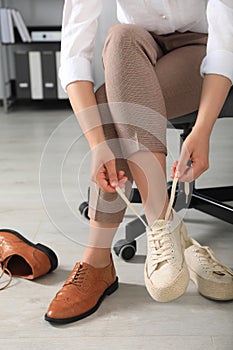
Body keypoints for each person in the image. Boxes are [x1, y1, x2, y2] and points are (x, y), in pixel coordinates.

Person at [45, 0, 233, 324]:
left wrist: (202, 131)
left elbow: (224, 42)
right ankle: (162, 219)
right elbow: (74, 52)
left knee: (110, 106)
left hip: (202, 48)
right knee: (120, 37)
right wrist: (97, 144)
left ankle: (98, 261)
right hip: (136, 48)